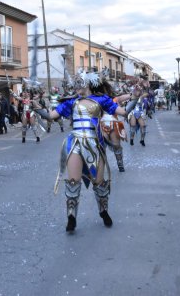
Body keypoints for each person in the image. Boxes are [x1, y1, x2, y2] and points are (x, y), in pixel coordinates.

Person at [40, 70, 127, 233]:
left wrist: (135, 99)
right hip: (75, 143)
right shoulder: (71, 102)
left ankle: (103, 211)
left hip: (95, 144)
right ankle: (71, 217)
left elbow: (122, 112)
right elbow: (51, 116)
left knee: (99, 182)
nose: (75, 86)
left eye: (79, 82)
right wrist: (36, 107)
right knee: (73, 181)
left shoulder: (102, 99)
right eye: (75, 83)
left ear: (87, 83)